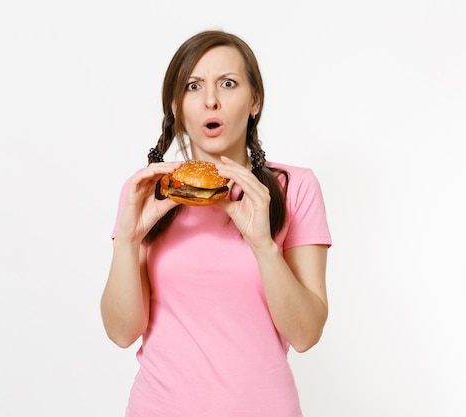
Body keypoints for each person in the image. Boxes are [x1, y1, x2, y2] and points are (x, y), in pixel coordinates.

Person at [100, 29, 332, 417]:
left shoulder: (294, 187)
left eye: (228, 83)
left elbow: (306, 334)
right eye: (193, 86)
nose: (210, 100)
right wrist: (127, 239)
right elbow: (122, 332)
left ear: (254, 100)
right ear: (176, 106)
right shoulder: (144, 191)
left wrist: (263, 245)